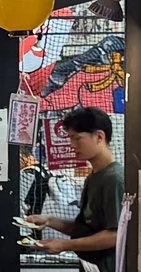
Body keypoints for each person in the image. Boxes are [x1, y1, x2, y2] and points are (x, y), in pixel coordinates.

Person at [33, 105, 123, 258]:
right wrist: (49, 221)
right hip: (93, 270)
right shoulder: (94, 176)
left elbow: (115, 235)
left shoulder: (113, 179)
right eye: (70, 138)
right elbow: (85, 228)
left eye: (77, 138)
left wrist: (65, 245)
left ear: (99, 137)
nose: (72, 145)